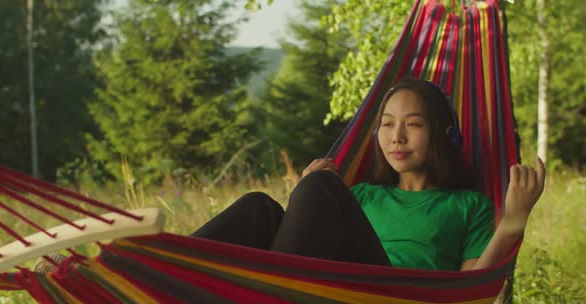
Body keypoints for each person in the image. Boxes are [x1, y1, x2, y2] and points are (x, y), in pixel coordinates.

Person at [191, 77, 546, 271]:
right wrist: (304, 192)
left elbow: (470, 290)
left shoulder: (468, 205)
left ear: (444, 134)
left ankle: (273, 297)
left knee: (321, 186)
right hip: (333, 289)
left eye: (414, 124)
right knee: (259, 208)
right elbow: (305, 241)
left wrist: (513, 221)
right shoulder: (362, 195)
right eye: (387, 125)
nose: (397, 137)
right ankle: (159, 268)